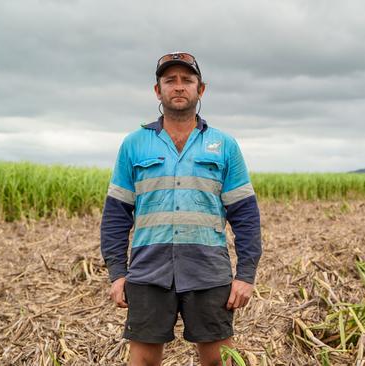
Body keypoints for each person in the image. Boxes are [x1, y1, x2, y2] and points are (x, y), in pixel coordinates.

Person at [100, 51, 262, 366]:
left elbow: (245, 216)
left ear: (200, 90)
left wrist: (246, 275)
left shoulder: (224, 145)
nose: (178, 87)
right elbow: (116, 217)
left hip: (208, 272)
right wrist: (118, 274)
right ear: (157, 90)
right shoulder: (134, 145)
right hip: (148, 272)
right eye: (169, 80)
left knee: (218, 360)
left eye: (187, 80)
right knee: (143, 361)